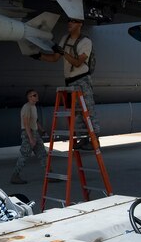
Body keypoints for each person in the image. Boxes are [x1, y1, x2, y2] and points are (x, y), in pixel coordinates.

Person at [39, 18, 99, 149]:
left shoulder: (86, 42)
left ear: (80, 24)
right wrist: (39, 56)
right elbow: (55, 58)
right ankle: (83, 139)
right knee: (76, 114)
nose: (69, 23)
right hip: (69, 82)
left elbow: (78, 62)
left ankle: (95, 141)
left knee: (88, 111)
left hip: (82, 80)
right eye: (69, 21)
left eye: (73, 21)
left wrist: (62, 52)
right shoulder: (65, 39)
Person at [10, 89, 47, 184]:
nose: (37, 96)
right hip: (28, 133)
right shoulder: (26, 107)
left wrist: (41, 129)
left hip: (34, 133)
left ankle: (49, 175)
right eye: (34, 95)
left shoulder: (33, 107)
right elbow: (26, 124)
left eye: (36, 94)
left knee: (42, 154)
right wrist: (31, 138)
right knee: (24, 155)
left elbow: (36, 120)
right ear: (29, 97)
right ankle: (15, 176)